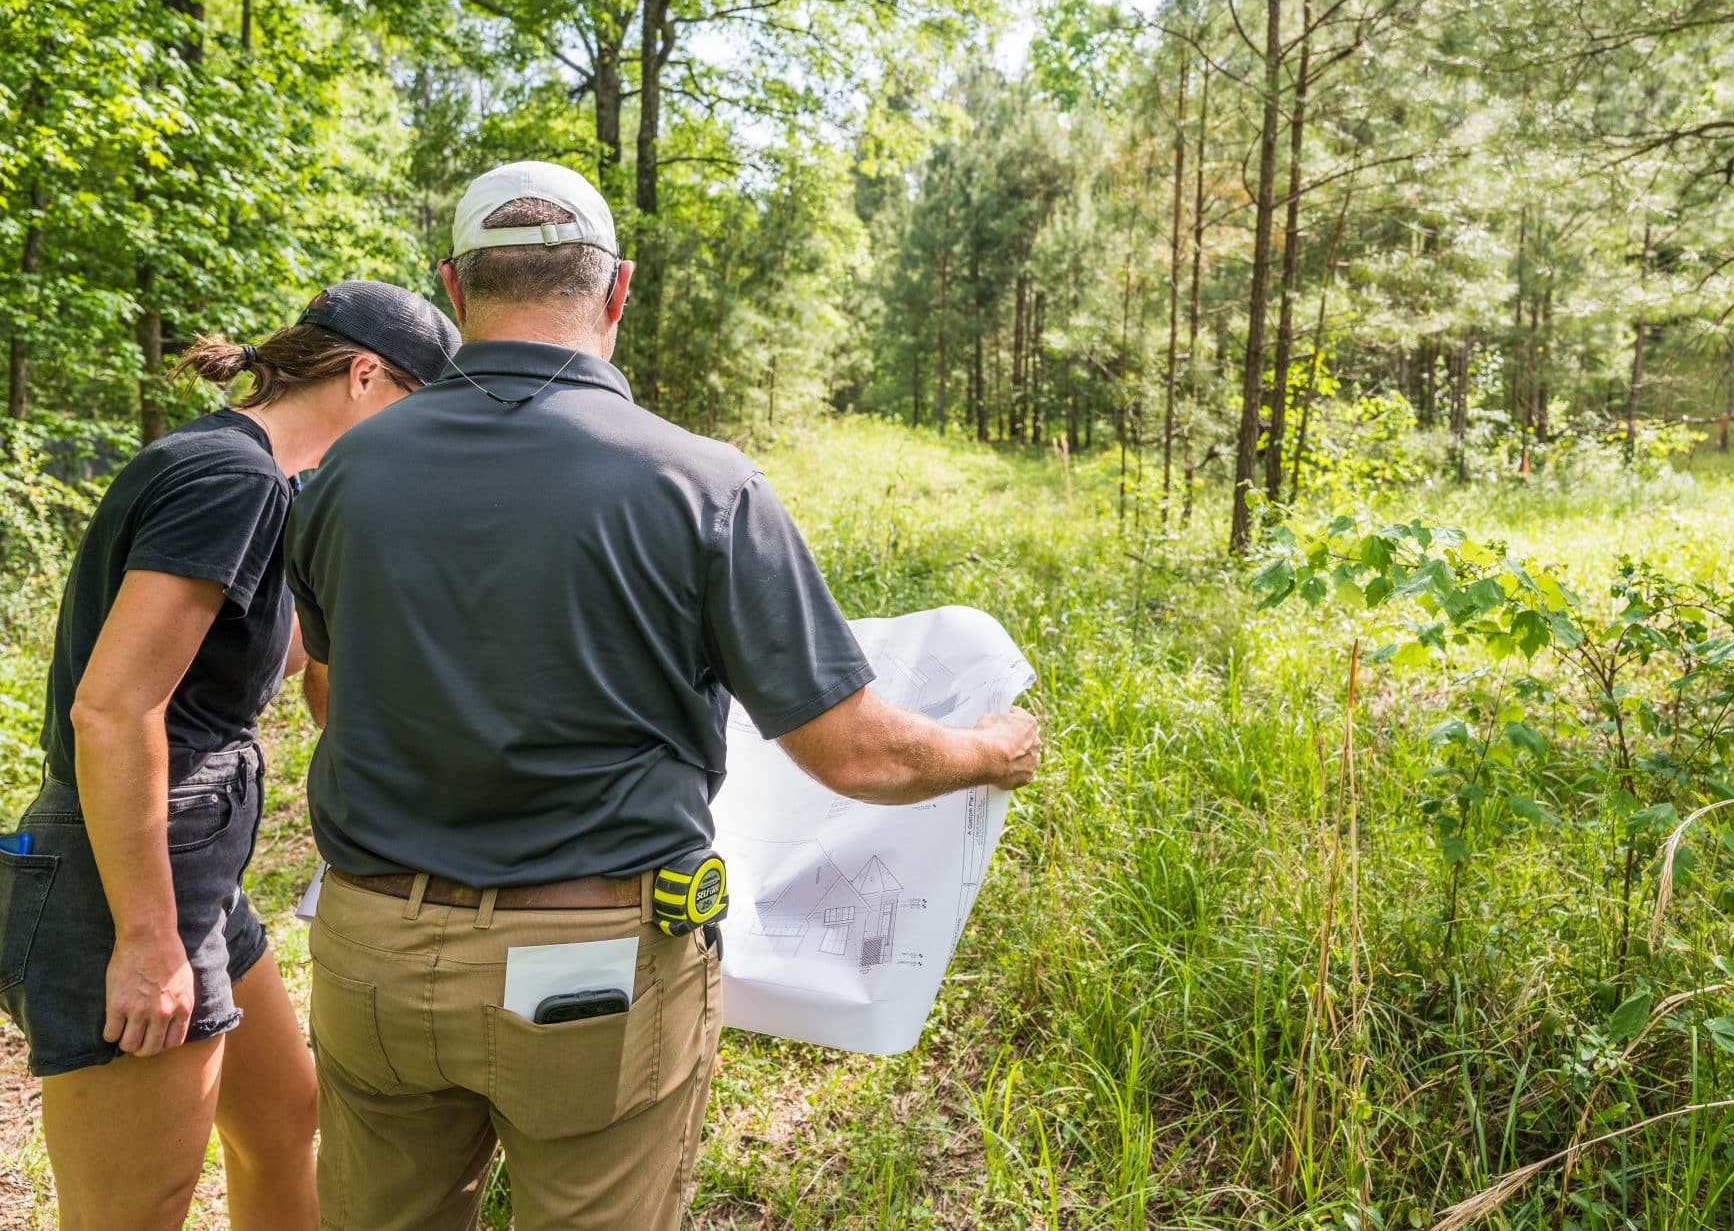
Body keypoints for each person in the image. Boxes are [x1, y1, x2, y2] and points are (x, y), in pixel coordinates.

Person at [286, 160, 1041, 1230]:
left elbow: (332, 697)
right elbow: (858, 757)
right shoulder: (701, 482)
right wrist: (991, 751)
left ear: (453, 290)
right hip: (590, 971)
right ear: (618, 289)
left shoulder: (342, 479)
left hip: (372, 953)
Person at [0, 283, 460, 1230]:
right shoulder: (228, 478)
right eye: (423, 407)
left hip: (197, 860)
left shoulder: (272, 484)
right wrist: (144, 937)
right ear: (366, 374)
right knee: (136, 1208)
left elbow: (285, 662)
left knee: (286, 1119)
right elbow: (113, 708)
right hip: (126, 867)